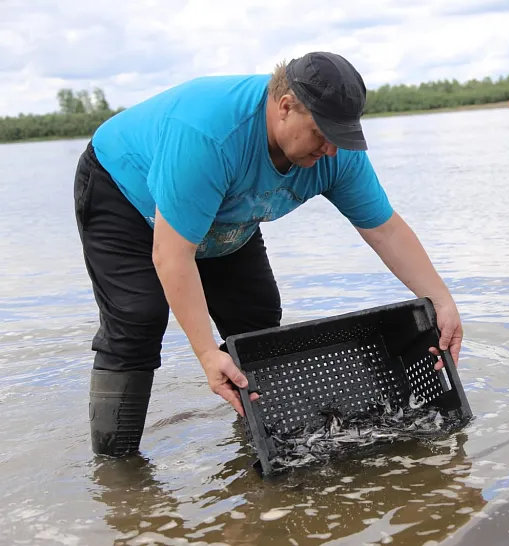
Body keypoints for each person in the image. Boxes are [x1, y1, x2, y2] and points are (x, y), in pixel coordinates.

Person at [73, 51, 463, 457]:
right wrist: (206, 353)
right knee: (138, 318)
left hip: (225, 216)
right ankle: (116, 468)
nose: (331, 149)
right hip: (125, 191)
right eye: (321, 133)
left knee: (256, 318)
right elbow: (172, 255)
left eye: (342, 136)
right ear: (285, 107)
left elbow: (385, 230)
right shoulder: (211, 136)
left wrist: (442, 300)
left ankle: (255, 445)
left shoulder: (336, 154)